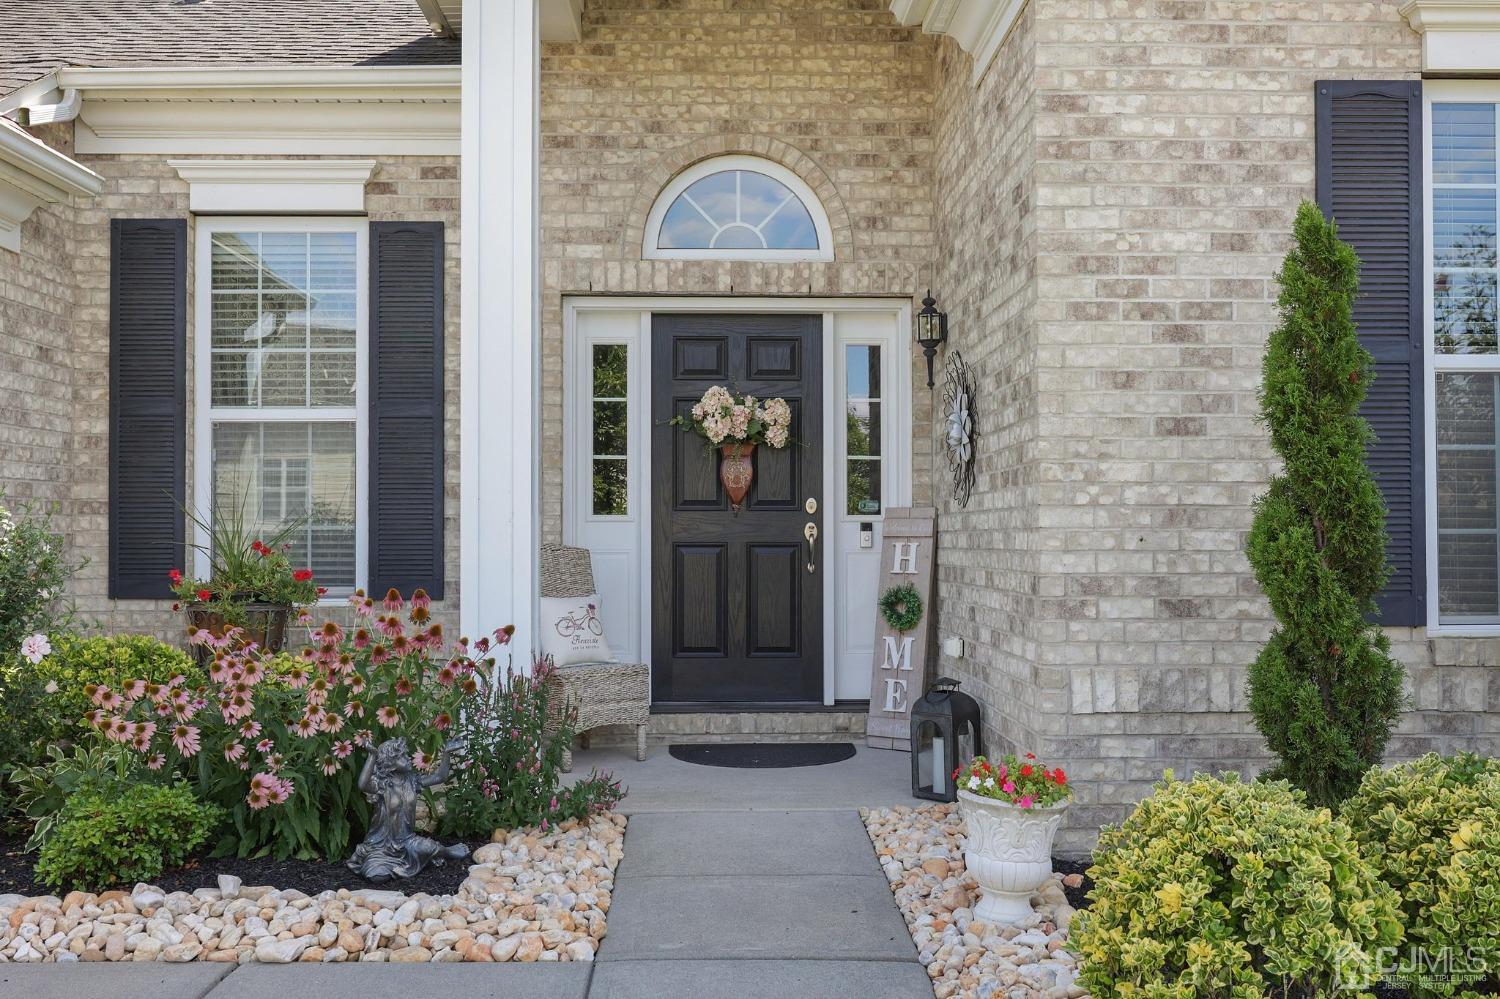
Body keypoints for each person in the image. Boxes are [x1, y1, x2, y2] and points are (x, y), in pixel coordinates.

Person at [347, 736, 469, 881]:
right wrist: (372, 756)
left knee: (427, 846)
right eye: (402, 756)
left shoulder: (412, 780)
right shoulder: (381, 784)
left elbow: (439, 777)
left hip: (408, 841)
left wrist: (447, 753)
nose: (408, 758)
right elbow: (362, 784)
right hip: (381, 846)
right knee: (377, 876)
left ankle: (447, 851)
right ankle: (405, 864)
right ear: (391, 762)